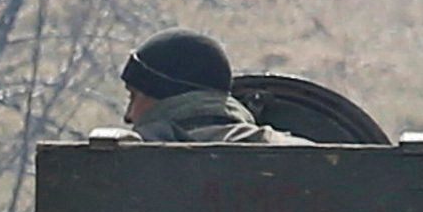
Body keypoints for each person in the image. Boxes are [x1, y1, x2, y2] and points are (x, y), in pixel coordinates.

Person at [119, 29, 298, 143]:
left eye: (133, 96)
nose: (129, 115)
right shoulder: (301, 158)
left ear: (168, 98)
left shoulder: (122, 165)